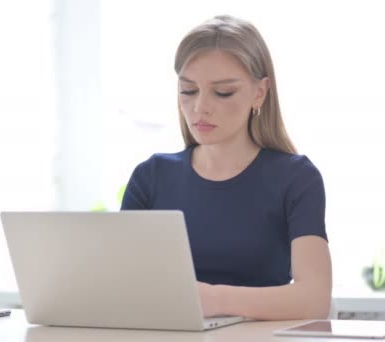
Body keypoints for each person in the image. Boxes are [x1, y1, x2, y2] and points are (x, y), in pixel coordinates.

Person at [121, 15, 332, 320]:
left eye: (223, 92)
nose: (200, 107)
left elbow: (313, 299)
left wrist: (210, 298)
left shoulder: (296, 178)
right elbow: (120, 286)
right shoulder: (151, 177)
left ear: (259, 92)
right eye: (188, 90)